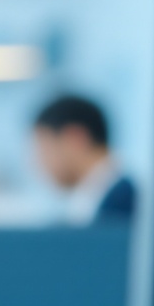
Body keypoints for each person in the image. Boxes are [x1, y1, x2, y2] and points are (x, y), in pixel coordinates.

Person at [30, 93, 134, 225]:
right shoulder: (91, 201)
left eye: (44, 149)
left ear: (76, 138)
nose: (39, 162)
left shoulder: (123, 203)